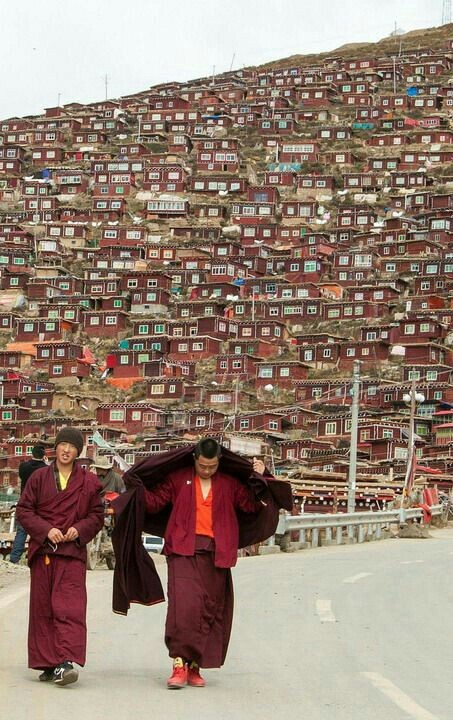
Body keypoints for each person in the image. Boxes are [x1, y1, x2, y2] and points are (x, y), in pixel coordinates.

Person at [112, 438, 293, 690]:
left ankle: (195, 665)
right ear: (194, 459)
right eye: (202, 466)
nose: (207, 470)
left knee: (209, 609)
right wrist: (137, 489)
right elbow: (155, 502)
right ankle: (178, 664)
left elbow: (251, 506)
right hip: (183, 550)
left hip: (216, 552)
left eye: (212, 466)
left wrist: (258, 478)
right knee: (184, 608)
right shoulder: (178, 478)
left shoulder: (229, 484)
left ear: (219, 463)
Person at [16, 426, 104, 687]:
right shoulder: (39, 478)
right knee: (43, 608)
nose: (66, 450)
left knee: (69, 607)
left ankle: (65, 661)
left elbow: (96, 515)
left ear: (79, 451)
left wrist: (79, 529)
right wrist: (46, 530)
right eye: (63, 445)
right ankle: (48, 662)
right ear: (56, 447)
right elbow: (24, 510)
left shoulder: (88, 481)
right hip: (44, 551)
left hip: (71, 553)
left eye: (72, 446)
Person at [9, 444, 47, 564]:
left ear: (32, 454)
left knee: (22, 531)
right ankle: (35, 558)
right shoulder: (46, 469)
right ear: (44, 456)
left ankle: (14, 558)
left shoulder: (23, 467)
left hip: (25, 502)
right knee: (40, 531)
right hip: (40, 505)